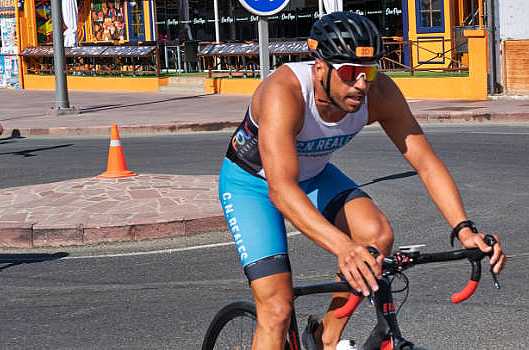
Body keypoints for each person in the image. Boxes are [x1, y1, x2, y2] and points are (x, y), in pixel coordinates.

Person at [214, 12, 505, 350]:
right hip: (253, 185)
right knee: (277, 310)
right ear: (319, 67)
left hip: (312, 176)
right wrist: (343, 247)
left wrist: (464, 229)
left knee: (376, 236)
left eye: (369, 71)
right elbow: (281, 189)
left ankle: (326, 337)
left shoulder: (378, 94)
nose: (362, 85)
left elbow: (425, 162)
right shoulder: (285, 92)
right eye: (351, 73)